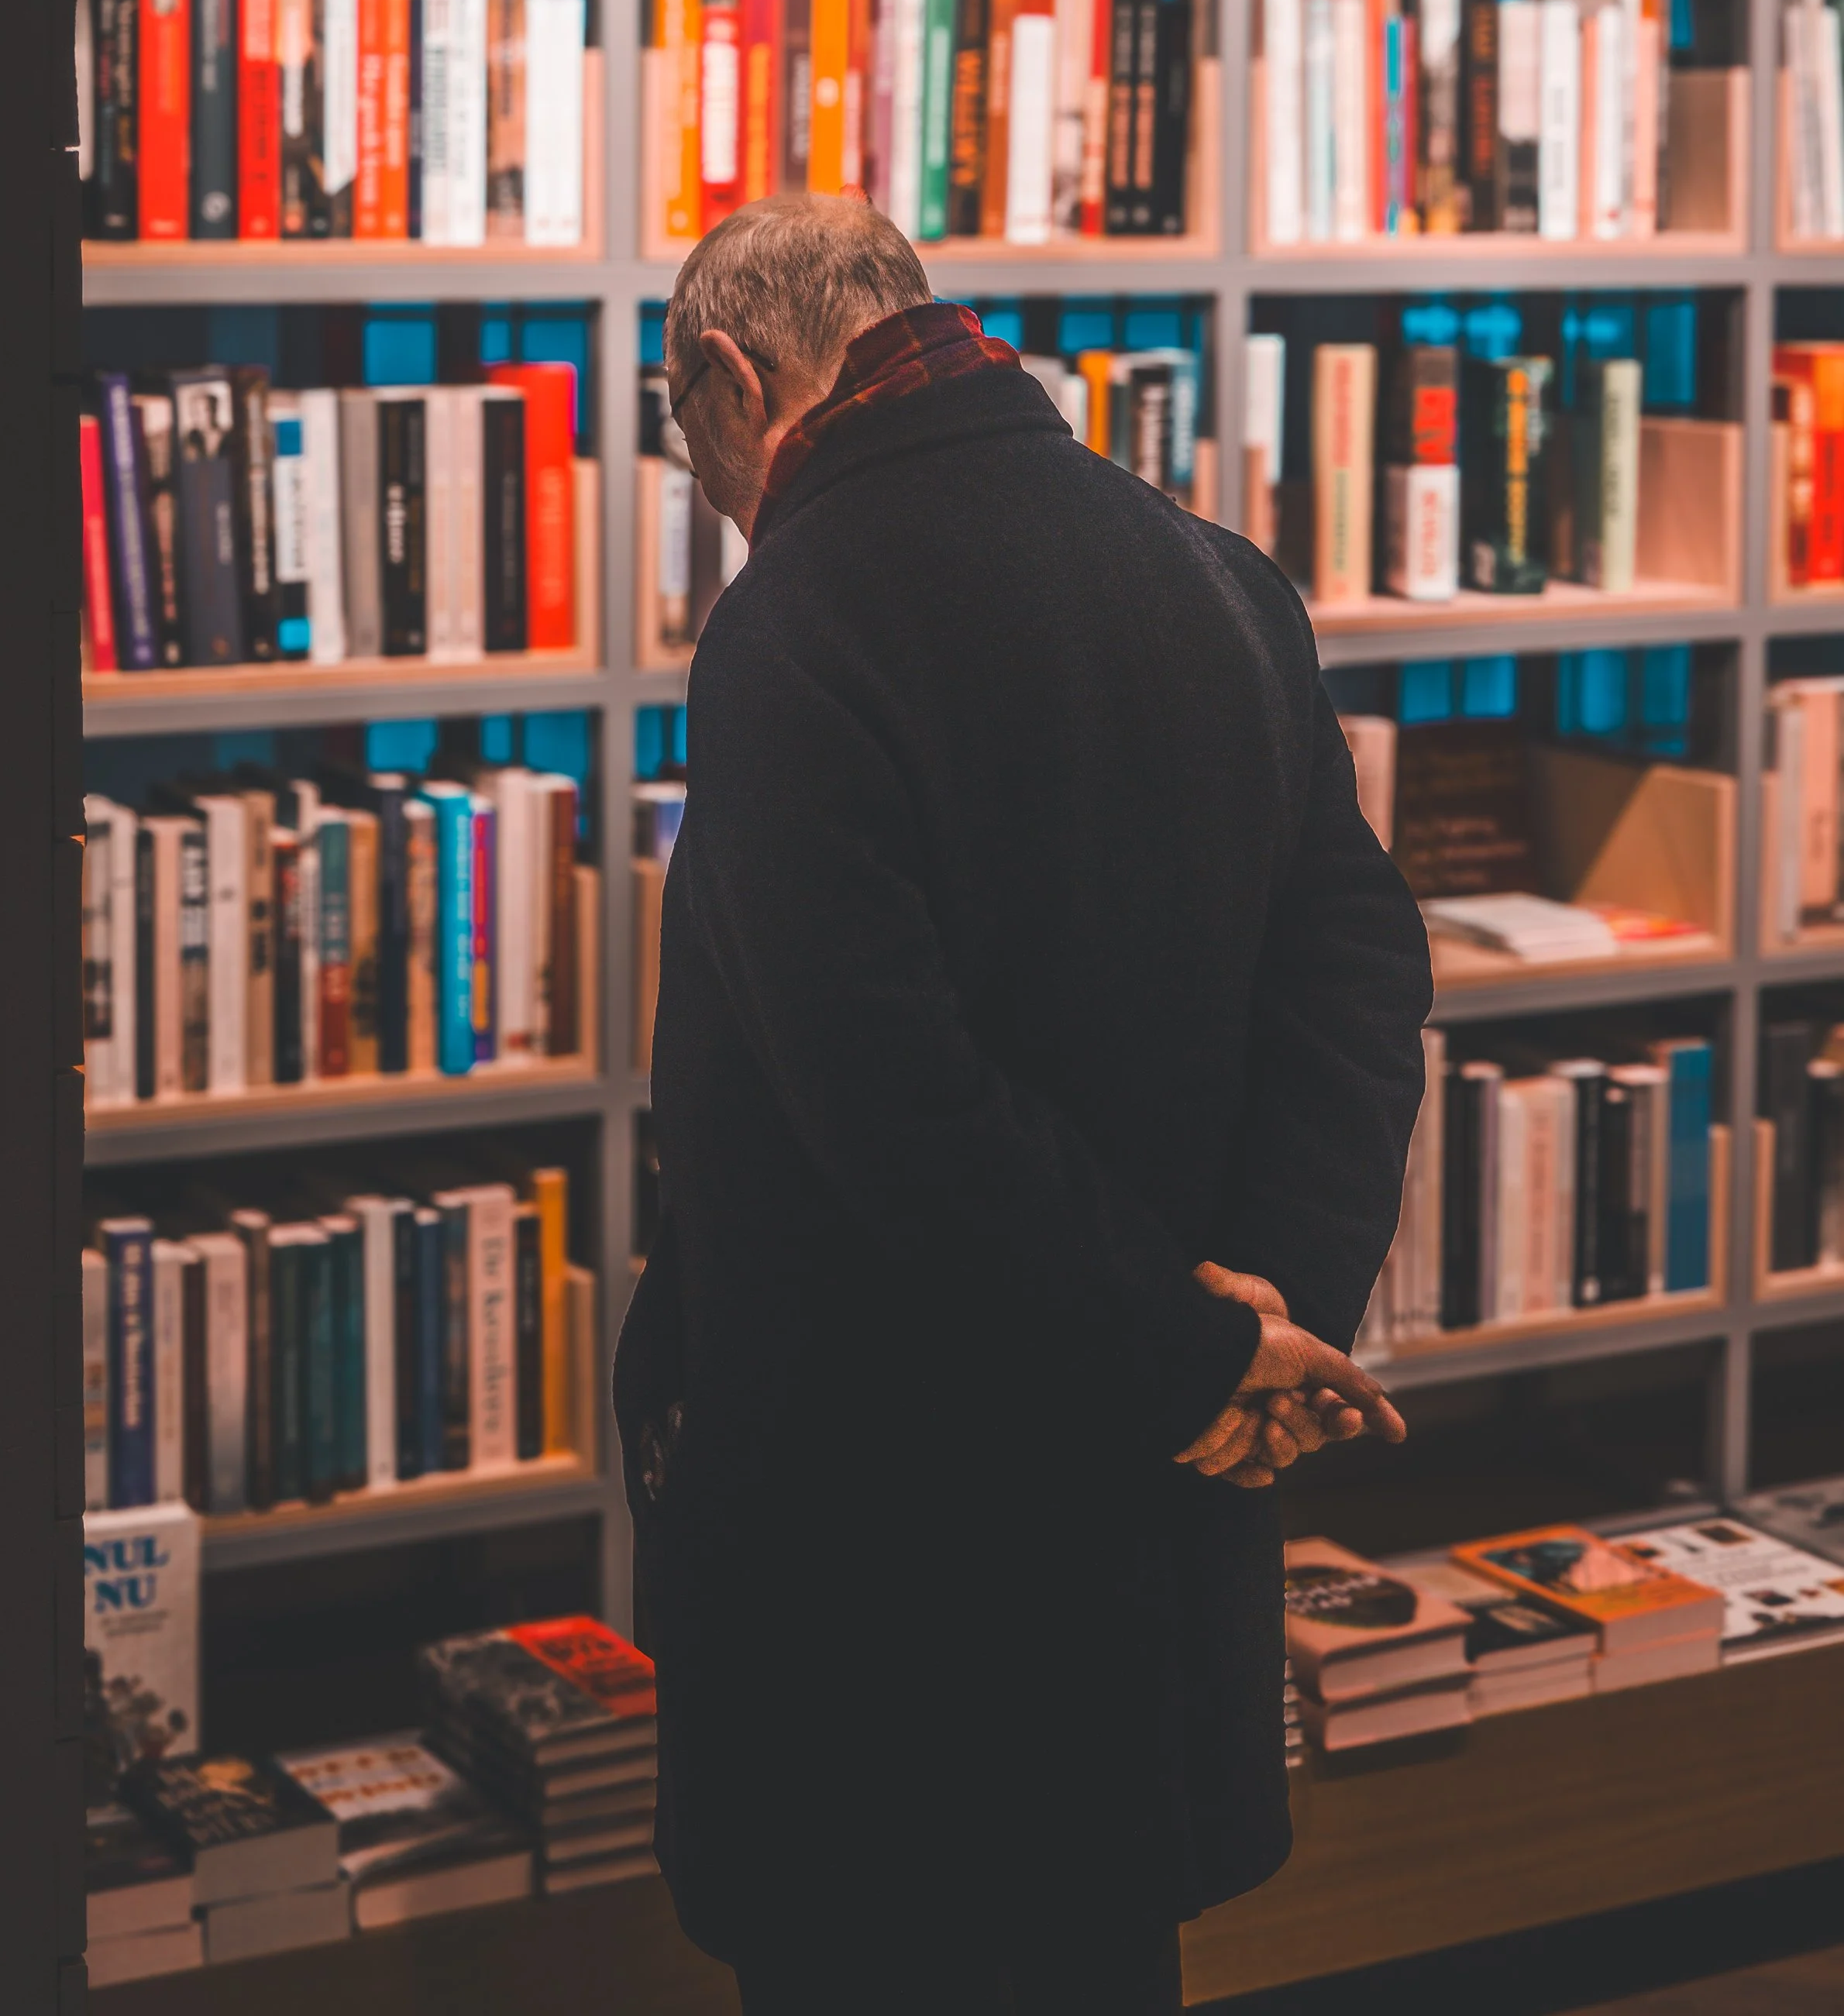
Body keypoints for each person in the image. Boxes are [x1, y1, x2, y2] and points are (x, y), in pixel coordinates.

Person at [614, 194, 1433, 2016]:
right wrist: (1261, 1313)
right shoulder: (1217, 571)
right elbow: (1360, 972)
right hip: (1144, 1526)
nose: (717, 493)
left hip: (882, 1563)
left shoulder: (795, 622)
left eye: (692, 444)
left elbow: (886, 1099)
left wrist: (1186, 1349)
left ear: (736, 377)